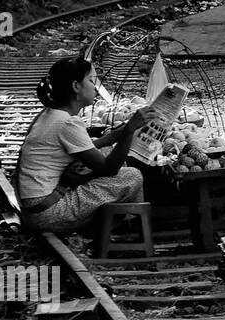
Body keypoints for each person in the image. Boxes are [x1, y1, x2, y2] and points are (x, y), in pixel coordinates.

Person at [16, 58, 153, 235]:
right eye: (90, 80)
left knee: (108, 152)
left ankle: (126, 223)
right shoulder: (67, 123)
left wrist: (114, 136)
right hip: (48, 214)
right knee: (132, 176)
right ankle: (127, 227)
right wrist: (128, 131)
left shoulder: (50, 114)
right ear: (76, 86)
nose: (95, 87)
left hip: (33, 209)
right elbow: (108, 169)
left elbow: (84, 150)